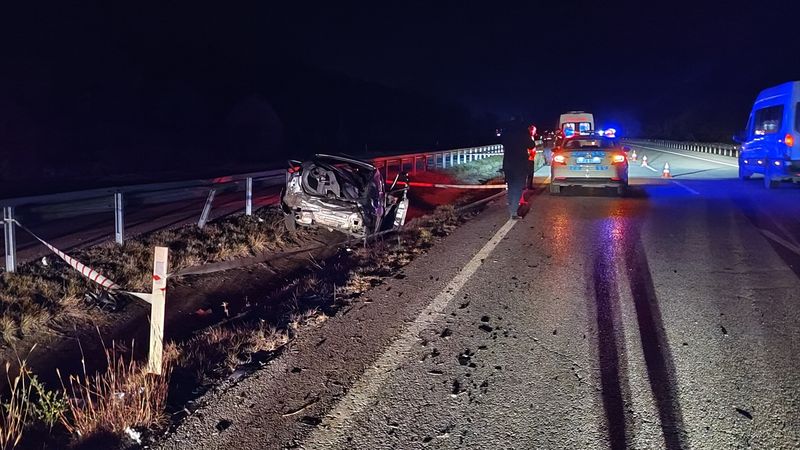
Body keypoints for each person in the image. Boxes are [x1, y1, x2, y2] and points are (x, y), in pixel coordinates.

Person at [501, 118, 534, 219]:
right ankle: (514, 212)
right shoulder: (523, 132)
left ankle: (511, 208)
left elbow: (502, 141)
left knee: (511, 187)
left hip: (508, 164)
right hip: (520, 164)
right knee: (518, 187)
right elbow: (531, 145)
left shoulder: (506, 132)